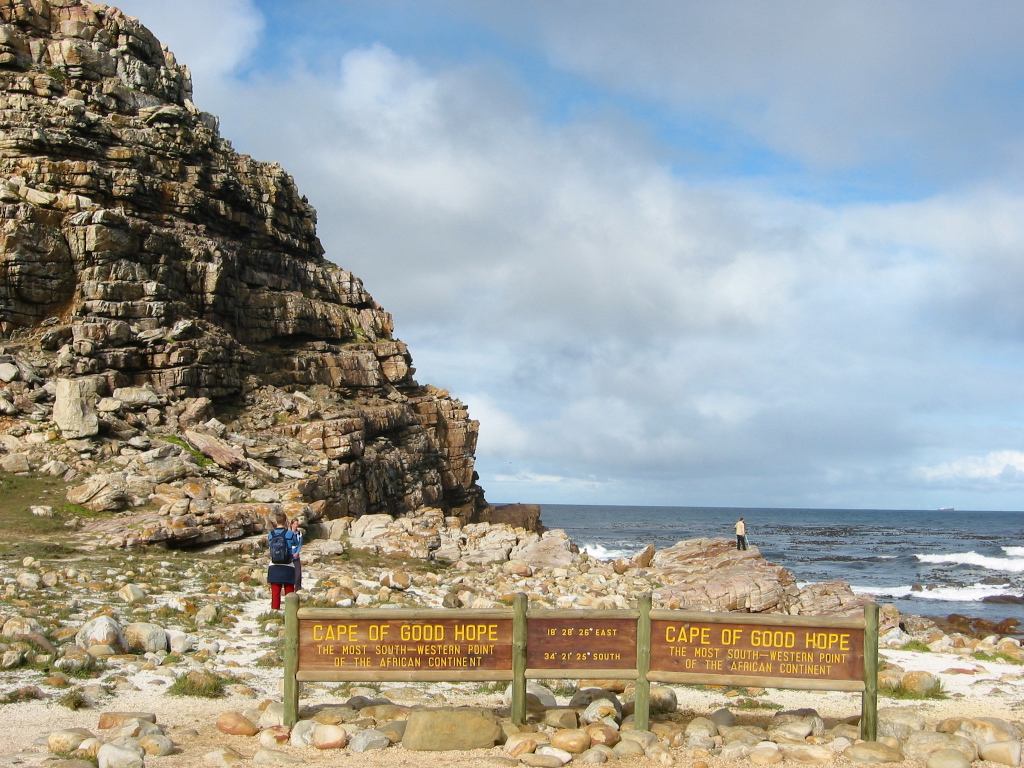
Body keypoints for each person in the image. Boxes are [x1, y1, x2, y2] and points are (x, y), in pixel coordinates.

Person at [267, 512, 300, 610]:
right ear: (286, 521)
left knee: (275, 593)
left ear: (276, 522)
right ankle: (290, 611)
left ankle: (275, 611)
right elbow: (296, 543)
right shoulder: (289, 534)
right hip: (288, 565)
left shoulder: (271, 534)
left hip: (274, 566)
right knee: (289, 593)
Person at [290, 519, 304, 591]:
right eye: (295, 524)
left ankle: (298, 588)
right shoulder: (288, 533)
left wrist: (297, 552)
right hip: (289, 555)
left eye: (297, 524)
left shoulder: (299, 533)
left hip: (296, 555)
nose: (296, 525)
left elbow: (300, 544)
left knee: (298, 573)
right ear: (292, 524)